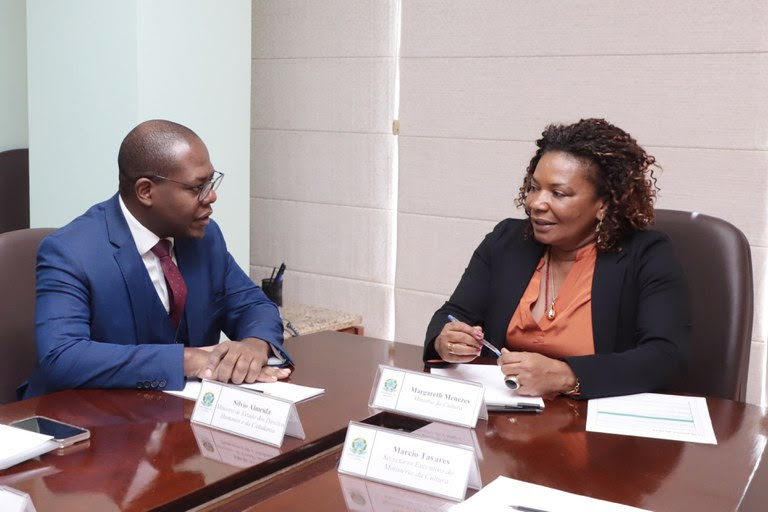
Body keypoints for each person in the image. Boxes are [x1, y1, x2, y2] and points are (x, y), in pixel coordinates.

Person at [21, 119, 292, 399]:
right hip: (85, 420)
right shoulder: (70, 252)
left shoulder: (205, 238)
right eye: (197, 187)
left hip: (177, 417)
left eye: (211, 181)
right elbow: (62, 357)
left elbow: (253, 305)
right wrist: (189, 360)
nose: (211, 196)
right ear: (146, 191)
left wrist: (254, 345)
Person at [423, 118, 689, 400]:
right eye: (534, 188)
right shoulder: (507, 242)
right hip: (507, 417)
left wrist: (566, 376)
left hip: (593, 426)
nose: (536, 203)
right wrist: (446, 342)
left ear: (604, 204)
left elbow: (665, 356)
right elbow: (453, 314)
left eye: (558, 193)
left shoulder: (645, 254)